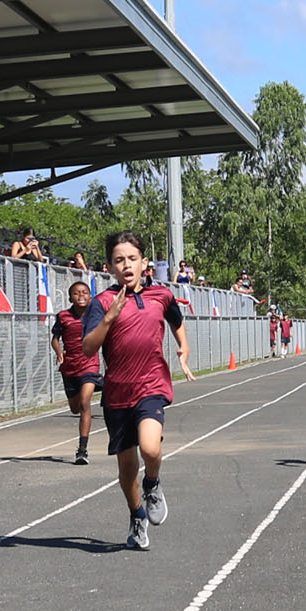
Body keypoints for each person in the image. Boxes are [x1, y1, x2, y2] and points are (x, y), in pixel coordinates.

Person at [81, 230, 195, 551]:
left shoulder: (161, 295)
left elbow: (176, 320)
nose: (126, 265)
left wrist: (183, 349)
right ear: (109, 267)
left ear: (145, 263)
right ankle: (136, 515)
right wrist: (109, 319)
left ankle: (153, 483)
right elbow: (89, 348)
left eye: (132, 259)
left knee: (151, 449)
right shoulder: (102, 302)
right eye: (119, 260)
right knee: (126, 468)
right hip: (117, 394)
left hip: (151, 384)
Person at [52, 281, 104, 465]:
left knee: (84, 403)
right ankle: (104, 385)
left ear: (90, 296)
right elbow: (55, 339)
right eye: (76, 293)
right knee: (75, 408)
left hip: (89, 364)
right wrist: (59, 353)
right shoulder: (63, 316)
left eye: (84, 292)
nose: (80, 295)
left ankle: (82, 450)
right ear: (70, 297)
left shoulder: (96, 316)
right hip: (70, 367)